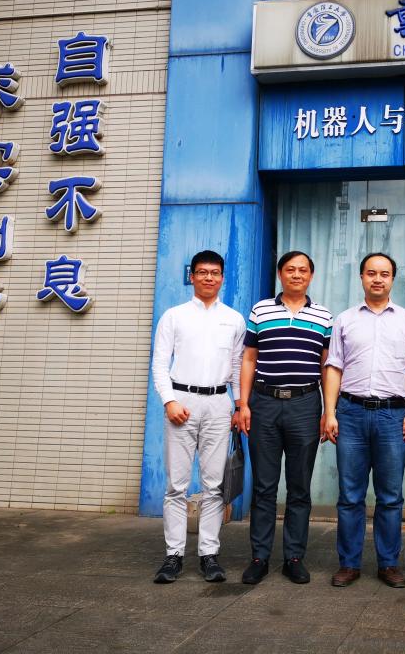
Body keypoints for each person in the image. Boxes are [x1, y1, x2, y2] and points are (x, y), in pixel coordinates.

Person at [322, 253, 405, 589]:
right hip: (350, 413)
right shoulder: (345, 320)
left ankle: (388, 563)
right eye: (371, 273)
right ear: (362, 277)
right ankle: (349, 563)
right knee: (350, 495)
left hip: (392, 415)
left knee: (390, 495)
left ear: (393, 279)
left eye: (384, 274)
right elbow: (334, 367)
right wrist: (330, 412)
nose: (377, 279)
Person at [235, 251, 332, 585]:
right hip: (264, 403)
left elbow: (326, 366)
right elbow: (249, 358)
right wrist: (243, 404)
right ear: (280, 274)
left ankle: (294, 557)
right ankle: (259, 557)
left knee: (299, 486)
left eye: (303, 270)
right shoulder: (261, 310)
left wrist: (327, 411)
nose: (296, 274)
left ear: (311, 276)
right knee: (264, 486)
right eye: (290, 269)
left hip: (305, 405)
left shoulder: (324, 316)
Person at [151, 249, 246, 584]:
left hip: (219, 404)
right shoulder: (174, 316)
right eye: (202, 272)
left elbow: (237, 366)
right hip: (182, 402)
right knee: (176, 486)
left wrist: (239, 405)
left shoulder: (234, 319)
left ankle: (209, 554)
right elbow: (159, 363)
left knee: (214, 485)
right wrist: (169, 401)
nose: (209, 277)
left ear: (222, 277)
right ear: (192, 276)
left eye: (215, 273)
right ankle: (173, 555)